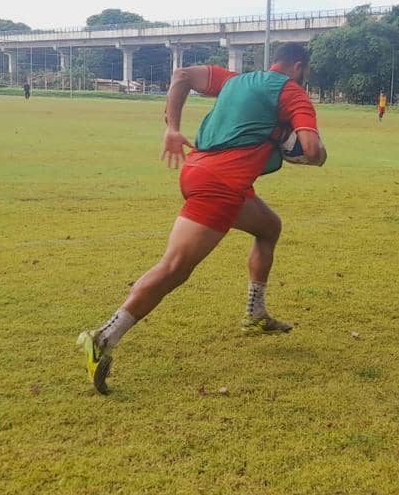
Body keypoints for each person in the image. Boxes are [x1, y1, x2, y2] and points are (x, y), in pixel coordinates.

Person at [76, 43, 326, 395]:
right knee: (174, 268)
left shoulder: (237, 81)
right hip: (220, 185)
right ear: (298, 67)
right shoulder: (293, 93)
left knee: (269, 227)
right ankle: (102, 337)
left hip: (201, 171)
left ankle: (255, 314)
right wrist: (298, 148)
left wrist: (172, 127)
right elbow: (313, 151)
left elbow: (183, 76)